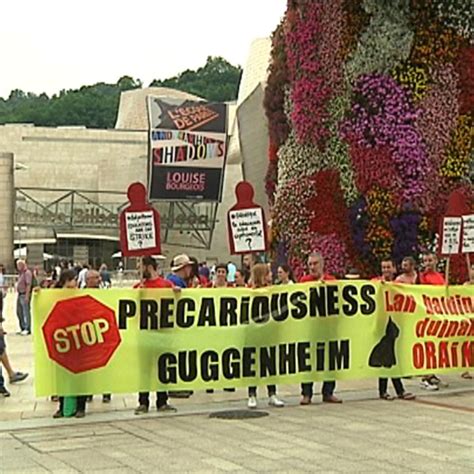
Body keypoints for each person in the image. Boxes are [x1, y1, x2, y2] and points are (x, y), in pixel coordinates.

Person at [134, 257, 177, 415]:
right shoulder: (139, 287)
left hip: (161, 333)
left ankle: (162, 401)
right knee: (145, 369)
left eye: (141, 266)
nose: (139, 270)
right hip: (145, 333)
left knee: (162, 368)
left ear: (149, 267)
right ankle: (143, 402)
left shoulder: (165, 285)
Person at [299, 253, 341, 404]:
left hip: (328, 327)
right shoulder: (304, 281)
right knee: (309, 361)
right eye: (310, 264)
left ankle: (328, 391)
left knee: (330, 360)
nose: (312, 267)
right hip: (311, 328)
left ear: (322, 264)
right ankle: (306, 393)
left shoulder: (331, 281)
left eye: (315, 264)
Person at [372, 258, 415, 401]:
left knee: (390, 358)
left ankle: (391, 390)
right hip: (381, 326)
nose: (385, 270)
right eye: (383, 267)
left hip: (394, 325)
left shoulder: (398, 285)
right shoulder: (376, 283)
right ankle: (394, 390)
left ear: (394, 269)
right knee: (388, 358)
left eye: (388, 267)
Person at [247, 263, 285, 409]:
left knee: (270, 363)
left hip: (269, 332)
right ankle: (252, 394)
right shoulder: (250, 292)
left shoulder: (272, 290)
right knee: (253, 365)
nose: (272, 275)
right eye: (268, 273)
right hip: (254, 333)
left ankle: (272, 394)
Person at [418, 252, 447, 390]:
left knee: (436, 346)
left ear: (436, 261)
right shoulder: (422, 277)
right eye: (425, 261)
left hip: (439, 315)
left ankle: (431, 375)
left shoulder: (440, 276)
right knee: (427, 345)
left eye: (430, 260)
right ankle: (424, 377)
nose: (427, 263)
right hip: (427, 316)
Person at [52, 270, 79, 417]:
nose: (76, 283)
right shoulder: (54, 294)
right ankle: (62, 406)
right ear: (66, 280)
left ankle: (78, 406)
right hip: (61, 338)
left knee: (77, 373)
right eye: (74, 280)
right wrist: (38, 294)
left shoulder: (78, 293)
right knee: (62, 374)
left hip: (76, 337)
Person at [16, 260, 32, 335]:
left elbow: (28, 284)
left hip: (24, 294)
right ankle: (22, 327)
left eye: (18, 265)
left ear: (22, 265)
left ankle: (27, 328)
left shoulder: (27, 273)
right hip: (19, 294)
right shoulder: (21, 273)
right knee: (19, 311)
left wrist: (27, 296)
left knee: (26, 312)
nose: (17, 267)